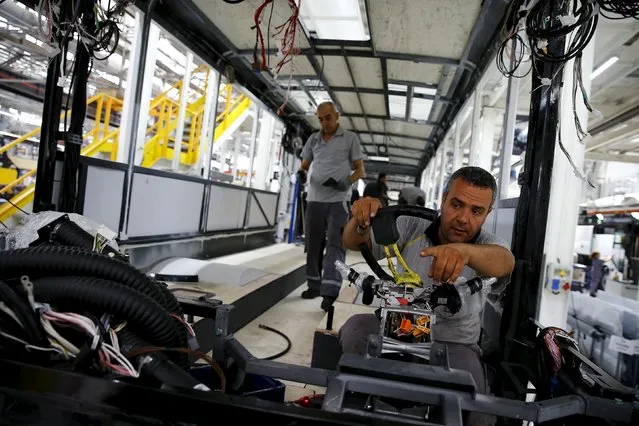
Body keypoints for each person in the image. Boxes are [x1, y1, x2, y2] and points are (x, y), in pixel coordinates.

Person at [340, 166, 514, 424]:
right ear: (443, 200)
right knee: (355, 328)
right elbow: (352, 241)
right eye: (457, 204)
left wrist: (463, 252)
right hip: (397, 327)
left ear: (487, 214)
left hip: (454, 344)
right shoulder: (412, 226)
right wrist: (361, 220)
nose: (464, 218)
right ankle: (354, 407)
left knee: (478, 412)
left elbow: (505, 262)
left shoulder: (490, 246)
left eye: (476, 211)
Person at [298, 102, 365, 310]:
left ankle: (330, 291)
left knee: (336, 245)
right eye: (320, 119)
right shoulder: (314, 139)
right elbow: (304, 165)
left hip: (338, 202)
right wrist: (301, 173)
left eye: (328, 117)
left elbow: (360, 170)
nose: (324, 122)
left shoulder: (349, 139)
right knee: (313, 244)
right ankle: (314, 285)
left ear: (337, 116)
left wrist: (346, 182)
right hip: (315, 199)